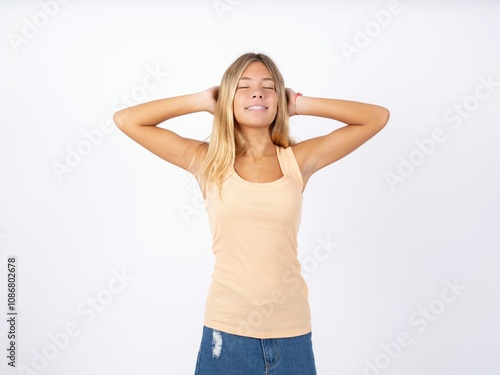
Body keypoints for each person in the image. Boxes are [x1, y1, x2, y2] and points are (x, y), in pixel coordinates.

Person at [113, 52, 389, 374]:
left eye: (268, 87)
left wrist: (299, 103)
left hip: (292, 333)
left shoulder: (297, 161)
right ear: (227, 98)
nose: (257, 92)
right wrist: (202, 100)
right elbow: (127, 120)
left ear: (278, 99)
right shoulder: (208, 161)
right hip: (227, 333)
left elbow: (377, 117)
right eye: (243, 86)